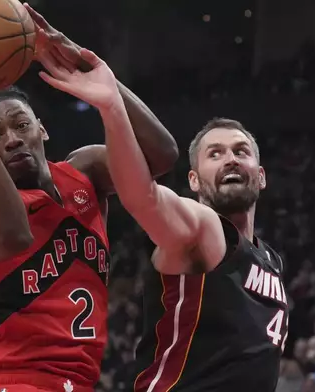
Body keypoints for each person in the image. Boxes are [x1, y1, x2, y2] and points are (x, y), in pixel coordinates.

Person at [0, 9, 178, 392]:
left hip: (80, 382)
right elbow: (11, 236)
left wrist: (102, 81)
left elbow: (160, 158)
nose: (13, 139)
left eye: (20, 125)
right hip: (16, 382)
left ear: (42, 130)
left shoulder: (85, 171)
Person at [58, 104, 284, 390]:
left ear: (261, 176)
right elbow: (143, 196)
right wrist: (112, 105)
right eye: (215, 154)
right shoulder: (200, 226)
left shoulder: (271, 260)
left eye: (241, 151)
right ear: (194, 181)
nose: (230, 160)